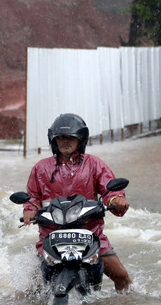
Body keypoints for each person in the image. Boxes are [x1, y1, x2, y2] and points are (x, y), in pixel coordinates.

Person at [21, 113, 132, 292]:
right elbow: (33, 196)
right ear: (53, 141)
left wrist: (116, 199)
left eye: (71, 137)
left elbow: (109, 189)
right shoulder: (41, 168)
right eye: (61, 138)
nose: (65, 141)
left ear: (81, 139)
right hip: (51, 237)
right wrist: (29, 208)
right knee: (28, 290)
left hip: (90, 235)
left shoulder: (94, 164)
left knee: (122, 277)